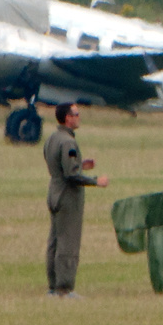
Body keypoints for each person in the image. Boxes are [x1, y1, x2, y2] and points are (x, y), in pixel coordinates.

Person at [43, 101, 108, 298]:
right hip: (67, 197)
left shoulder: (52, 139)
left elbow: (60, 165)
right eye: (76, 114)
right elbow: (71, 175)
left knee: (53, 241)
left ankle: (53, 287)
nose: (79, 117)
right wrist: (96, 181)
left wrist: (82, 165)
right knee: (68, 242)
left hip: (53, 192)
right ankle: (65, 288)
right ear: (68, 118)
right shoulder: (69, 143)